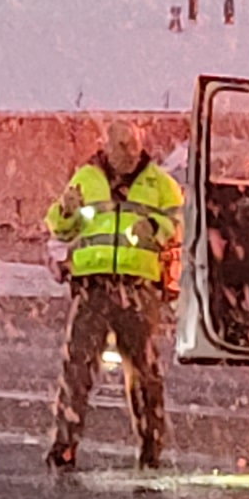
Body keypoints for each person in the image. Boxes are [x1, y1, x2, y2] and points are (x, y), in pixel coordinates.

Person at [40, 117, 184, 470]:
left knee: (145, 373)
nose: (128, 154)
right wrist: (67, 210)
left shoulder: (160, 184)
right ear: (107, 146)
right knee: (78, 368)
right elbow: (60, 226)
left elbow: (178, 221)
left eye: (133, 147)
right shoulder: (85, 178)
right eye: (121, 147)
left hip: (138, 289)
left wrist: (153, 227)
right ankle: (66, 444)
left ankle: (151, 445)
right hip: (94, 287)